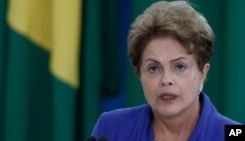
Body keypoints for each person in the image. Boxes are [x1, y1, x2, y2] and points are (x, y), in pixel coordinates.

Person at [91, 1, 241, 141]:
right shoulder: (111, 128)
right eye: (154, 68)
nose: (166, 79)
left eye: (180, 67)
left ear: (203, 72)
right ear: (139, 74)